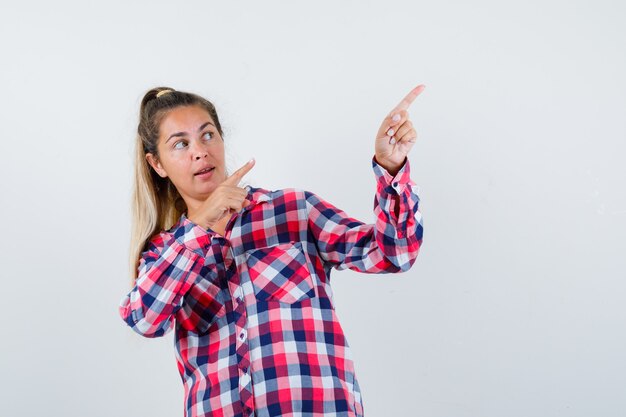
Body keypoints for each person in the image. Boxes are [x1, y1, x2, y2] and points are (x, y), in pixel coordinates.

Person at [118, 85, 425, 417]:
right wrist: (200, 225)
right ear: (157, 164)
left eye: (207, 135)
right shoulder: (164, 253)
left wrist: (391, 169)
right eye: (181, 144)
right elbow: (145, 320)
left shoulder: (294, 211)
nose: (199, 152)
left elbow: (396, 254)